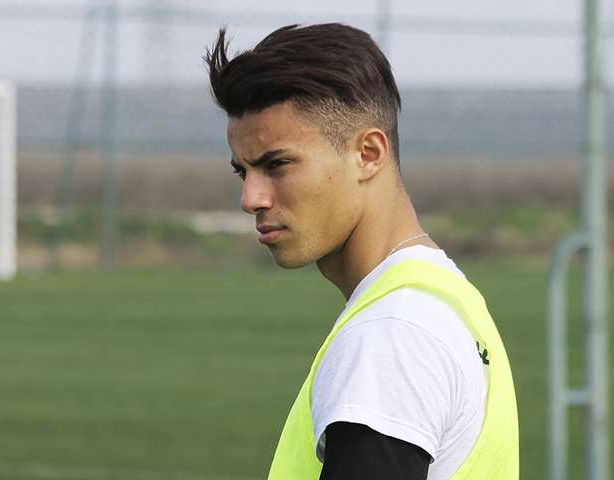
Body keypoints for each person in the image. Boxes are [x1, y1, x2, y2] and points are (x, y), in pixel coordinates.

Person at [204, 23, 519, 480]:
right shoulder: (443, 297)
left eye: (278, 164)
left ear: (369, 153)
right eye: (243, 171)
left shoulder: (393, 333)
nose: (251, 198)